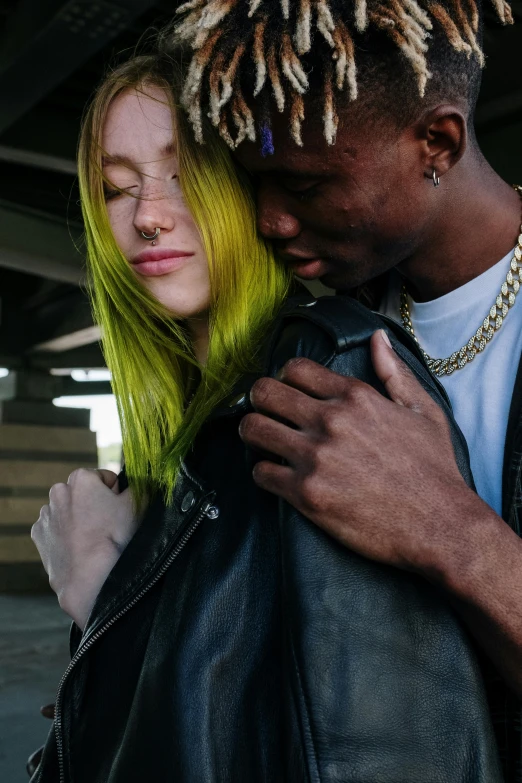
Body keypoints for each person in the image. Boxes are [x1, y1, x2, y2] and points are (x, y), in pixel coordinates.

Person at [30, 51, 503, 782]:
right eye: (116, 189)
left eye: (184, 176)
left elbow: (378, 750)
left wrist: (102, 596)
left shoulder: (324, 381)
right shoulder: (184, 430)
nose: (149, 217)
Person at [166, 0, 522, 779]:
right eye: (254, 182)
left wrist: (447, 526)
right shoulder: (321, 333)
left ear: (437, 141)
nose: (268, 220)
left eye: (304, 183)